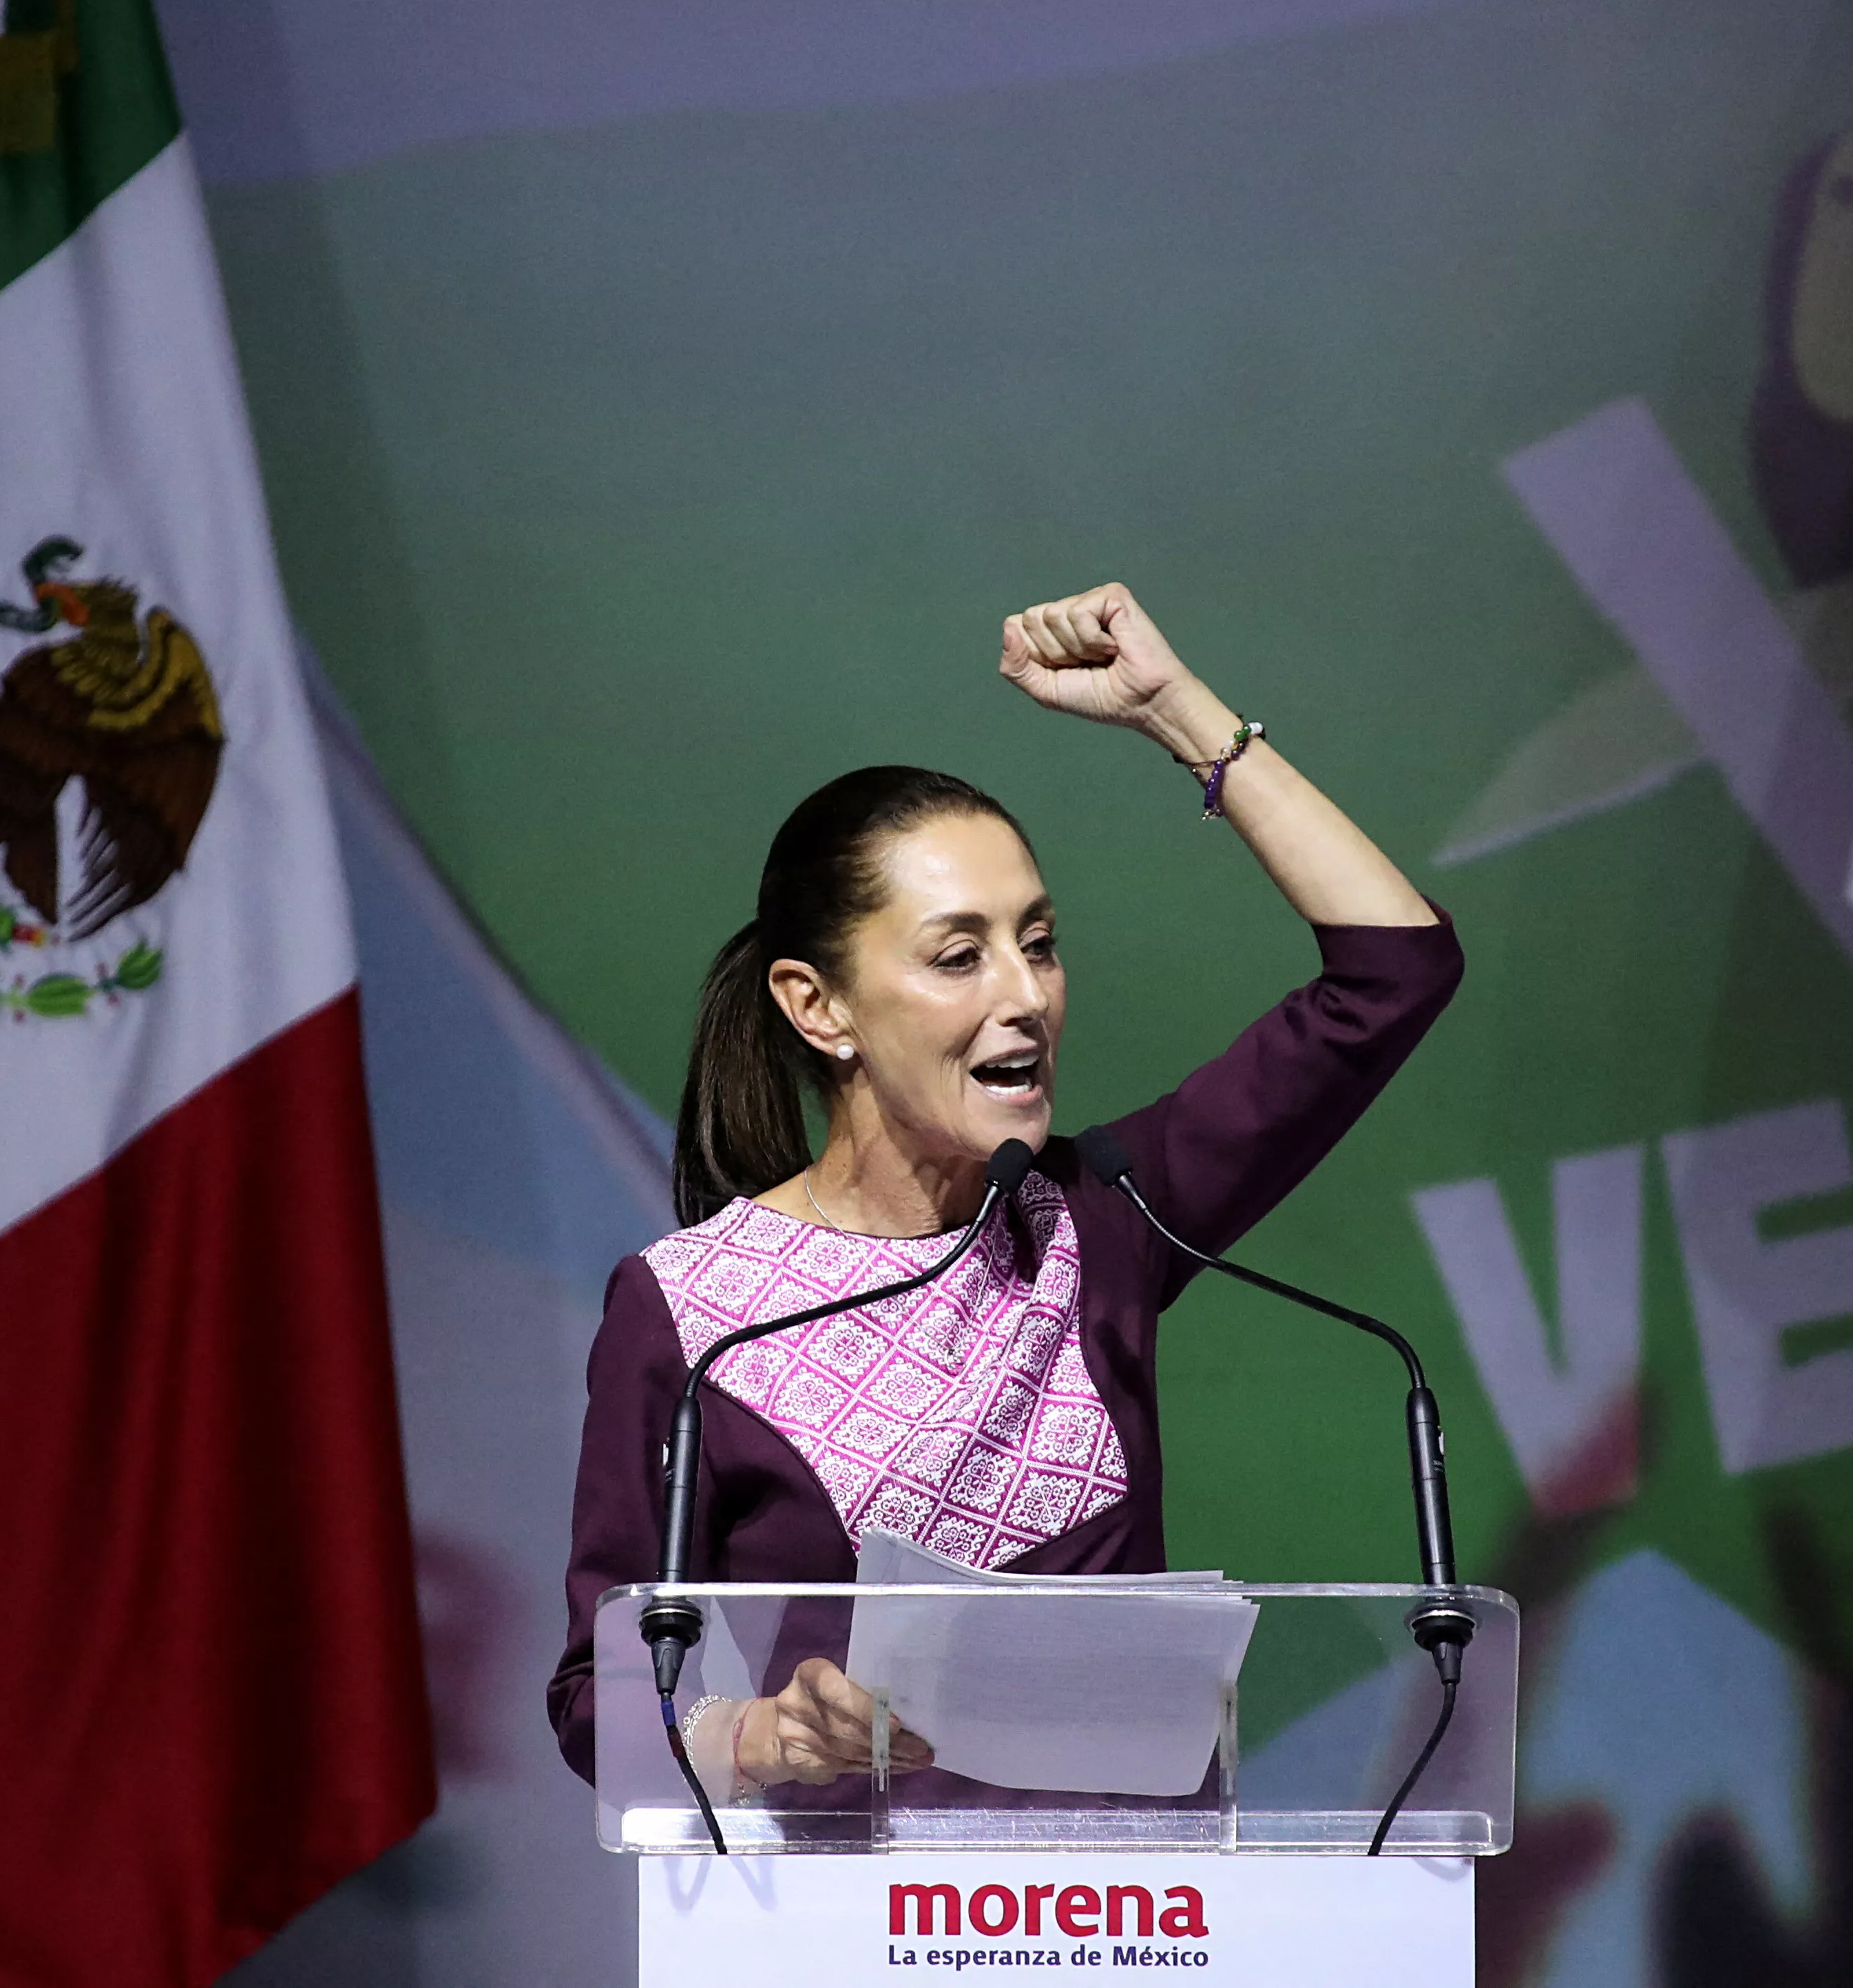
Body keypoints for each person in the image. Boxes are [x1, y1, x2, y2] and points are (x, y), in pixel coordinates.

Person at [547, 583, 1462, 1801]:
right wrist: (762, 1734)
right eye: (959, 954)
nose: (1024, 993)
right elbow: (596, 1696)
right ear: (818, 1007)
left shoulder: (1100, 1221)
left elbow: (1396, 970)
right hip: (855, 1942)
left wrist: (1179, 715)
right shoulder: (698, 1313)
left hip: (1133, 1932)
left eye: (1038, 940)